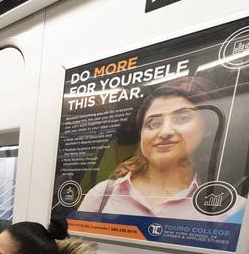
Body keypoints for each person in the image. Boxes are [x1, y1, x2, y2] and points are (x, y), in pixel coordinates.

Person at [78, 76, 245, 221]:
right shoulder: (102, 196)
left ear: (209, 127)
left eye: (182, 118)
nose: (164, 132)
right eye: (154, 123)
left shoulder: (231, 209)